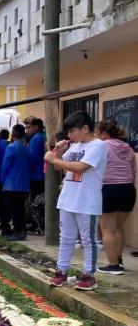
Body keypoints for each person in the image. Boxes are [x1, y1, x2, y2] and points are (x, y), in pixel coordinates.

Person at [45, 111, 107, 291]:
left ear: (85, 128)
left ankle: (89, 275)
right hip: (68, 199)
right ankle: (61, 271)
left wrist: (55, 158)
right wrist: (60, 152)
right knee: (66, 238)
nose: (70, 136)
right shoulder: (74, 146)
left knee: (89, 240)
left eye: (72, 131)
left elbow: (81, 167)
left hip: (86, 201)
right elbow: (59, 167)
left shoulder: (98, 146)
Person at [95, 120, 136, 275]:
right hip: (128, 189)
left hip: (109, 189)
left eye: (96, 131)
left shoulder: (102, 146)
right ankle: (118, 260)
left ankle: (113, 266)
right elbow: (133, 172)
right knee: (118, 227)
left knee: (108, 229)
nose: (95, 135)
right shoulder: (129, 148)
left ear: (104, 134)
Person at [1, 124, 30, 241]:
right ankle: (22, 229)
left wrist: (2, 179)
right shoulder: (25, 148)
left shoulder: (11, 147)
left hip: (11, 183)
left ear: (13, 134)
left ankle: (18, 231)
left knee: (13, 209)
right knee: (20, 208)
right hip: (23, 183)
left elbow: (5, 165)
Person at [25, 117, 46, 199]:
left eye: (29, 127)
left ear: (36, 127)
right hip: (41, 174)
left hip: (35, 175)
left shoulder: (35, 139)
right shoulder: (41, 137)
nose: (27, 130)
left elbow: (31, 159)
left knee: (35, 201)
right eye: (26, 128)